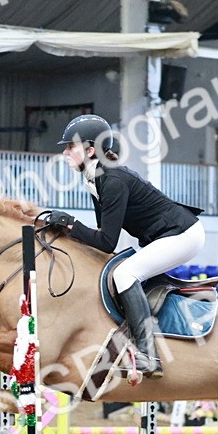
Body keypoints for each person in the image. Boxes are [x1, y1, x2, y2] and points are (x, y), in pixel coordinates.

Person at [42, 115, 205, 377]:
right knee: (120, 271)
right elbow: (99, 233)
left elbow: (107, 242)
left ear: (91, 149)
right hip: (166, 235)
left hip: (182, 234)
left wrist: (71, 225)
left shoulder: (112, 180)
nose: (65, 152)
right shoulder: (95, 177)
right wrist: (66, 231)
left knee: (125, 274)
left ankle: (148, 356)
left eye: (70, 146)